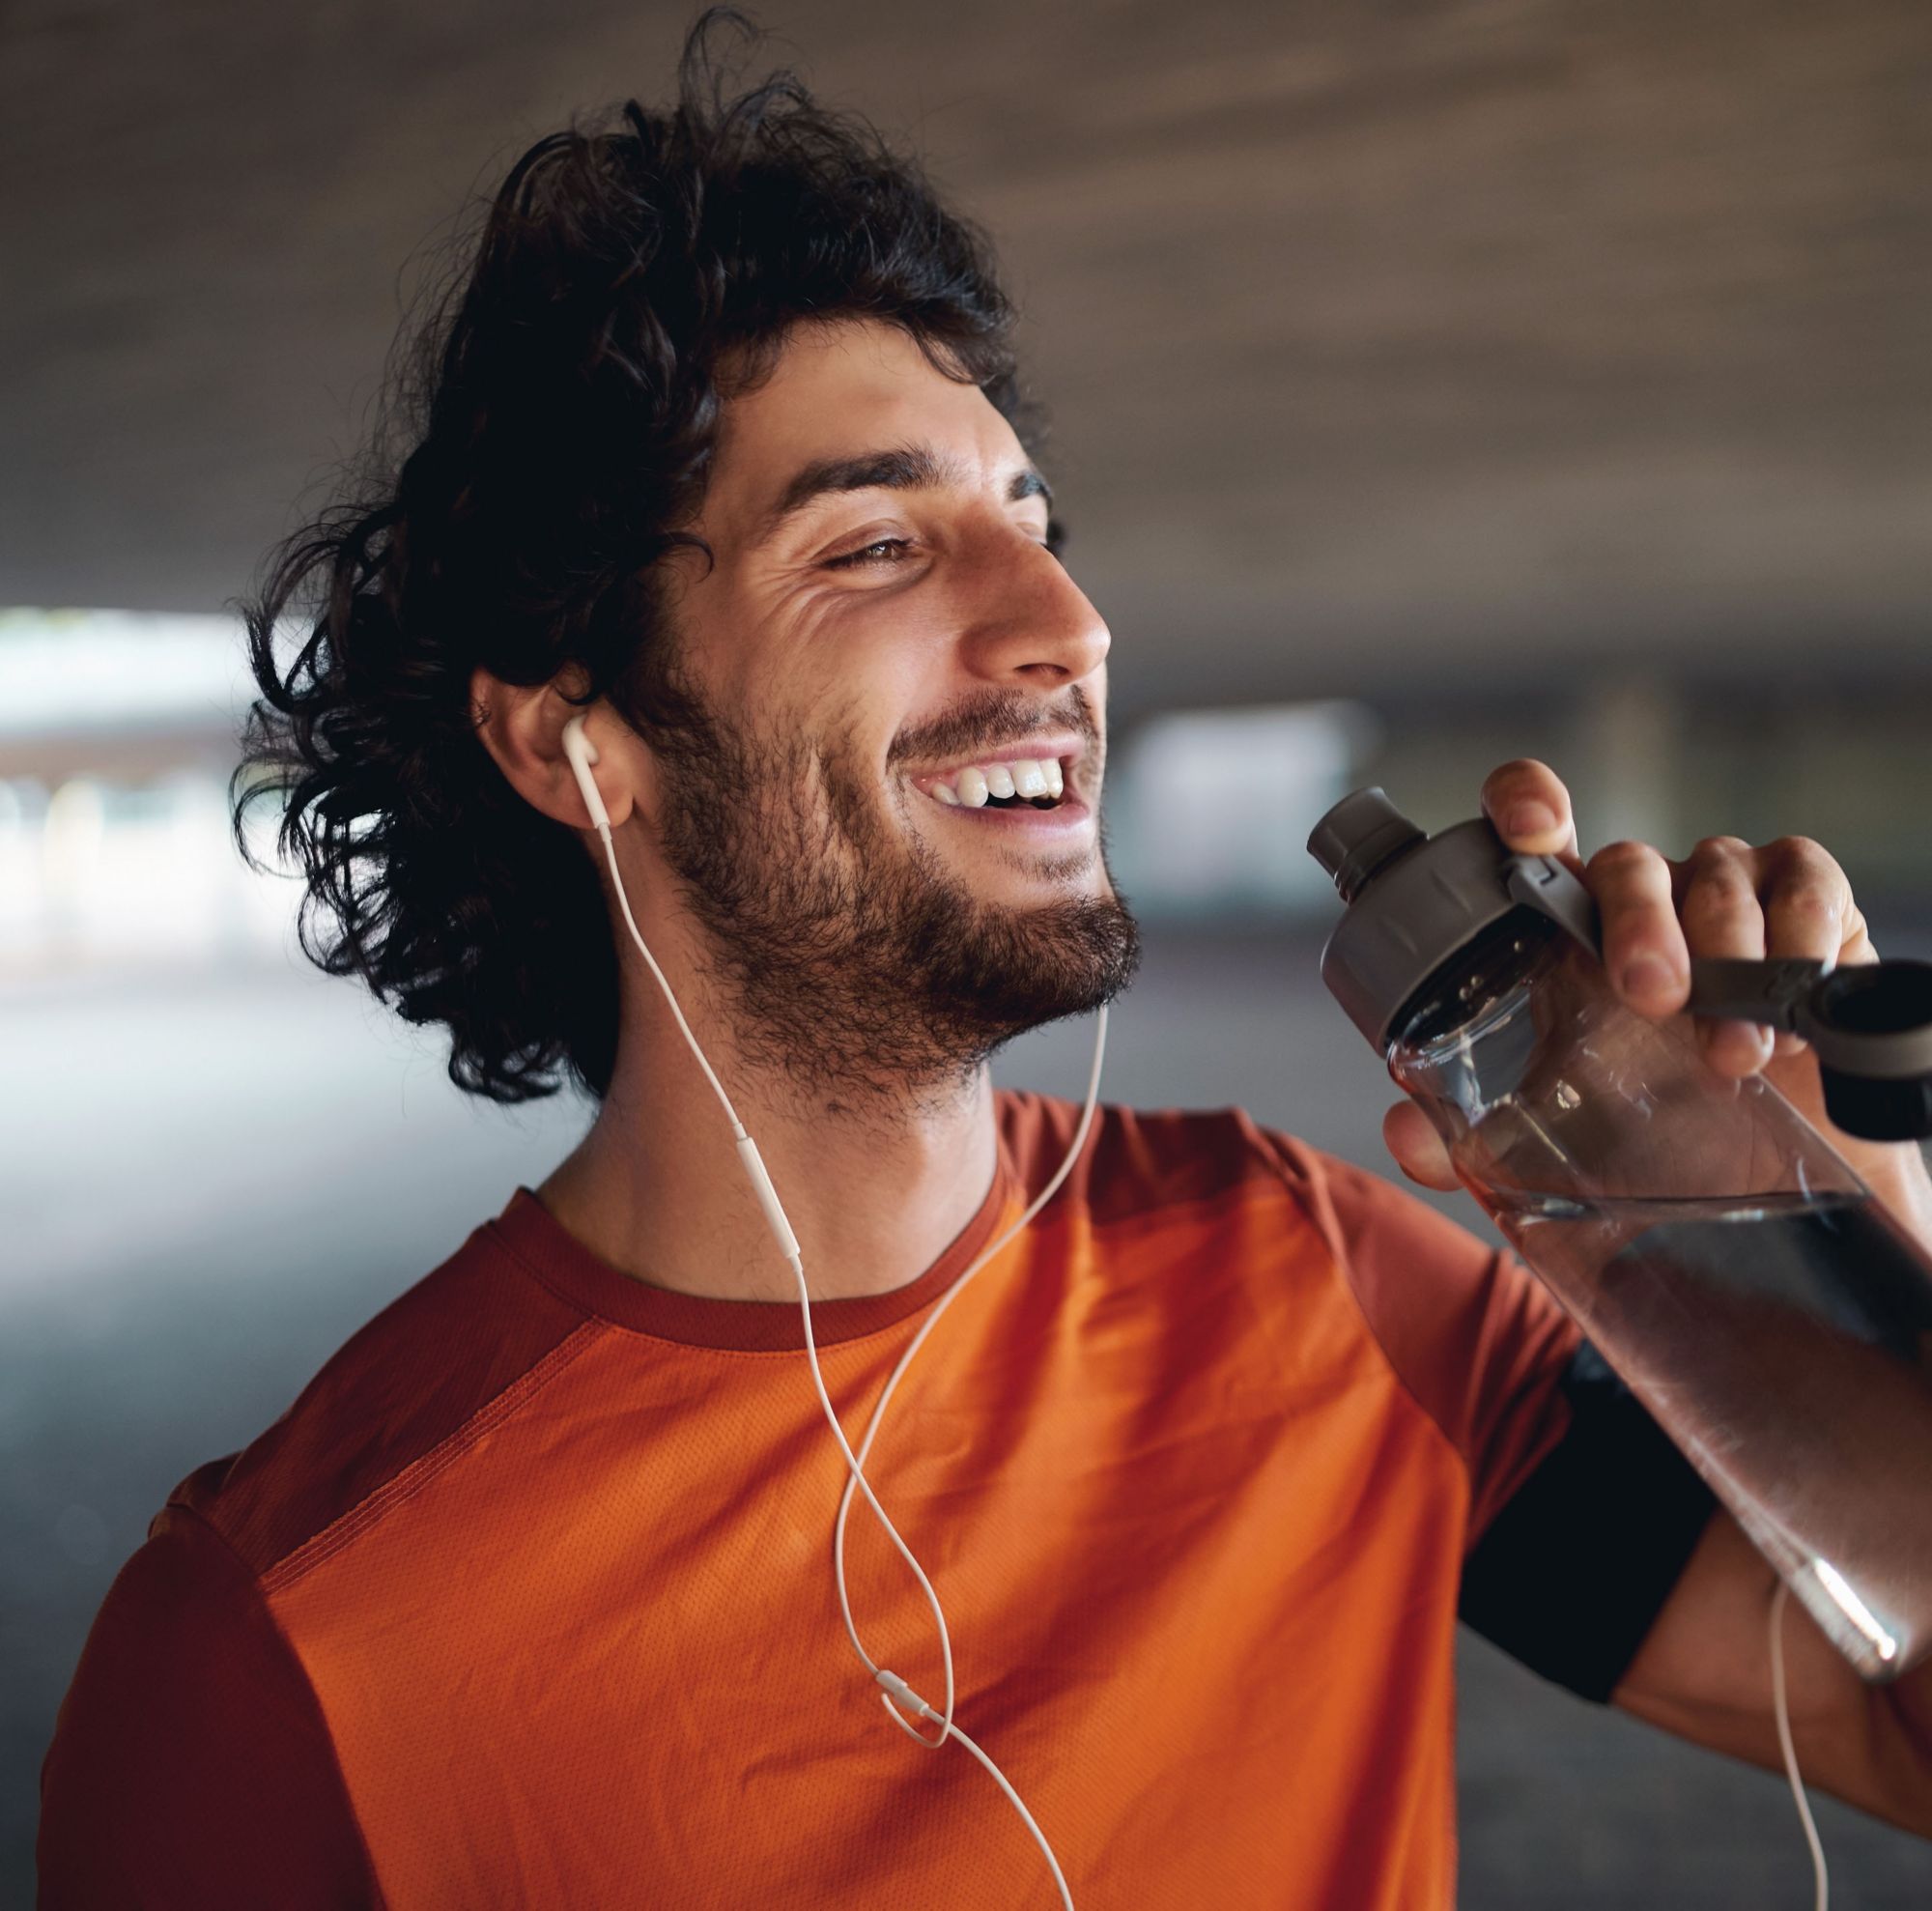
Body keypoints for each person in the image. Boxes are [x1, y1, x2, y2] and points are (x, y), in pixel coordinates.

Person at [38, 14, 1932, 1906]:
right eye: (870, 544)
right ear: (570, 741)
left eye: (1033, 522)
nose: (1068, 621)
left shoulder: (1313, 1275)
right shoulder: (283, 1641)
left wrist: (1831, 1224)